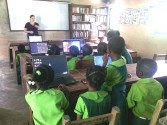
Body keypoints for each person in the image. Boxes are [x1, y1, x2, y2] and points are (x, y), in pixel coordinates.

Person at [127, 58, 164, 125]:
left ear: (140, 73)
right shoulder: (159, 85)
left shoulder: (136, 86)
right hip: (154, 117)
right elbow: (161, 99)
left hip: (139, 118)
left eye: (136, 68)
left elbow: (130, 104)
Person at [102, 36, 128, 125]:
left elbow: (100, 78)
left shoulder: (111, 68)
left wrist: (104, 63)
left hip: (112, 96)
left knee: (114, 118)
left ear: (109, 51)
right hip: (122, 95)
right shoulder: (123, 59)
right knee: (120, 118)